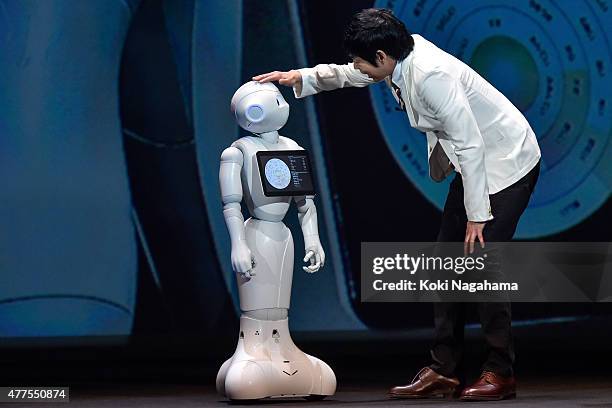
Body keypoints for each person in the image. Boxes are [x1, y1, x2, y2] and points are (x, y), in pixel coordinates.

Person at [253, 8, 541, 401]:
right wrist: (300, 78)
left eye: (361, 59)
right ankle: (445, 370)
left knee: (480, 265)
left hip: (506, 162)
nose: (357, 66)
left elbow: (472, 144)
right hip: (475, 163)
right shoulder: (395, 59)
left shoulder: (430, 75)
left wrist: (478, 217)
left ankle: (499, 372)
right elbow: (354, 73)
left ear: (383, 57)